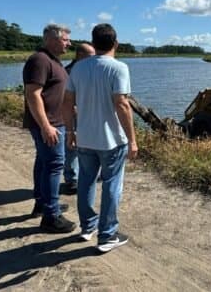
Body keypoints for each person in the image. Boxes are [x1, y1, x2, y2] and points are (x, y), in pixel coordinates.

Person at [63, 23, 138, 253]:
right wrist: (132, 139)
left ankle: (87, 228)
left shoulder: (78, 69)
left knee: (85, 181)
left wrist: (71, 131)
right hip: (111, 141)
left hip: (85, 137)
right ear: (115, 44)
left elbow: (67, 102)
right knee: (112, 184)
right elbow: (122, 104)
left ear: (93, 44)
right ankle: (107, 235)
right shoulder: (119, 68)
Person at [23, 24, 76, 233]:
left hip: (55, 122)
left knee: (44, 163)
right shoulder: (39, 60)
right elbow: (33, 94)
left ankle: (43, 204)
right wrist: (46, 126)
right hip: (50, 125)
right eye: (66, 40)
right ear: (52, 40)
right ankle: (51, 216)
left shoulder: (53, 61)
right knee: (54, 165)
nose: (69, 43)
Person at [62, 42, 96, 195]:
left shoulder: (88, 70)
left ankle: (85, 174)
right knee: (71, 147)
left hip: (88, 114)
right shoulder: (68, 71)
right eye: (91, 56)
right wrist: (73, 107)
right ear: (80, 55)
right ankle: (71, 179)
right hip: (73, 114)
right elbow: (64, 96)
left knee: (89, 146)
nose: (94, 59)